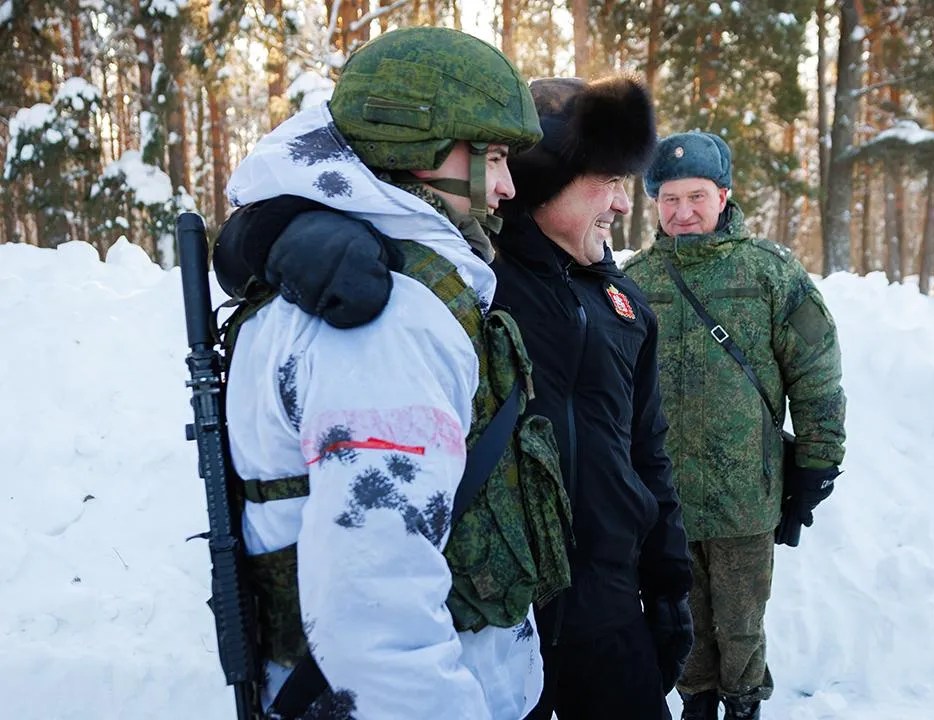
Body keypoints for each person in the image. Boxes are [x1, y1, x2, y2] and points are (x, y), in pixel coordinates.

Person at [216, 74, 695, 720]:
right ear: (545, 179)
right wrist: (282, 233)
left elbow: (649, 457)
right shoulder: (471, 282)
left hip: (607, 617)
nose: (620, 204)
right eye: (605, 181)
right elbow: (340, 195)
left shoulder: (627, 307)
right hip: (491, 619)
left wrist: (668, 587)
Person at [624, 132, 847, 720]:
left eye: (696, 196)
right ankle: (697, 699)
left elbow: (817, 371)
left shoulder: (770, 273)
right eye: (669, 199)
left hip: (745, 493)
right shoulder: (633, 283)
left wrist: (819, 463)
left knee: (742, 621)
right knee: (681, 613)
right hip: (663, 496)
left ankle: (743, 702)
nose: (683, 212)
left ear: (723, 196)